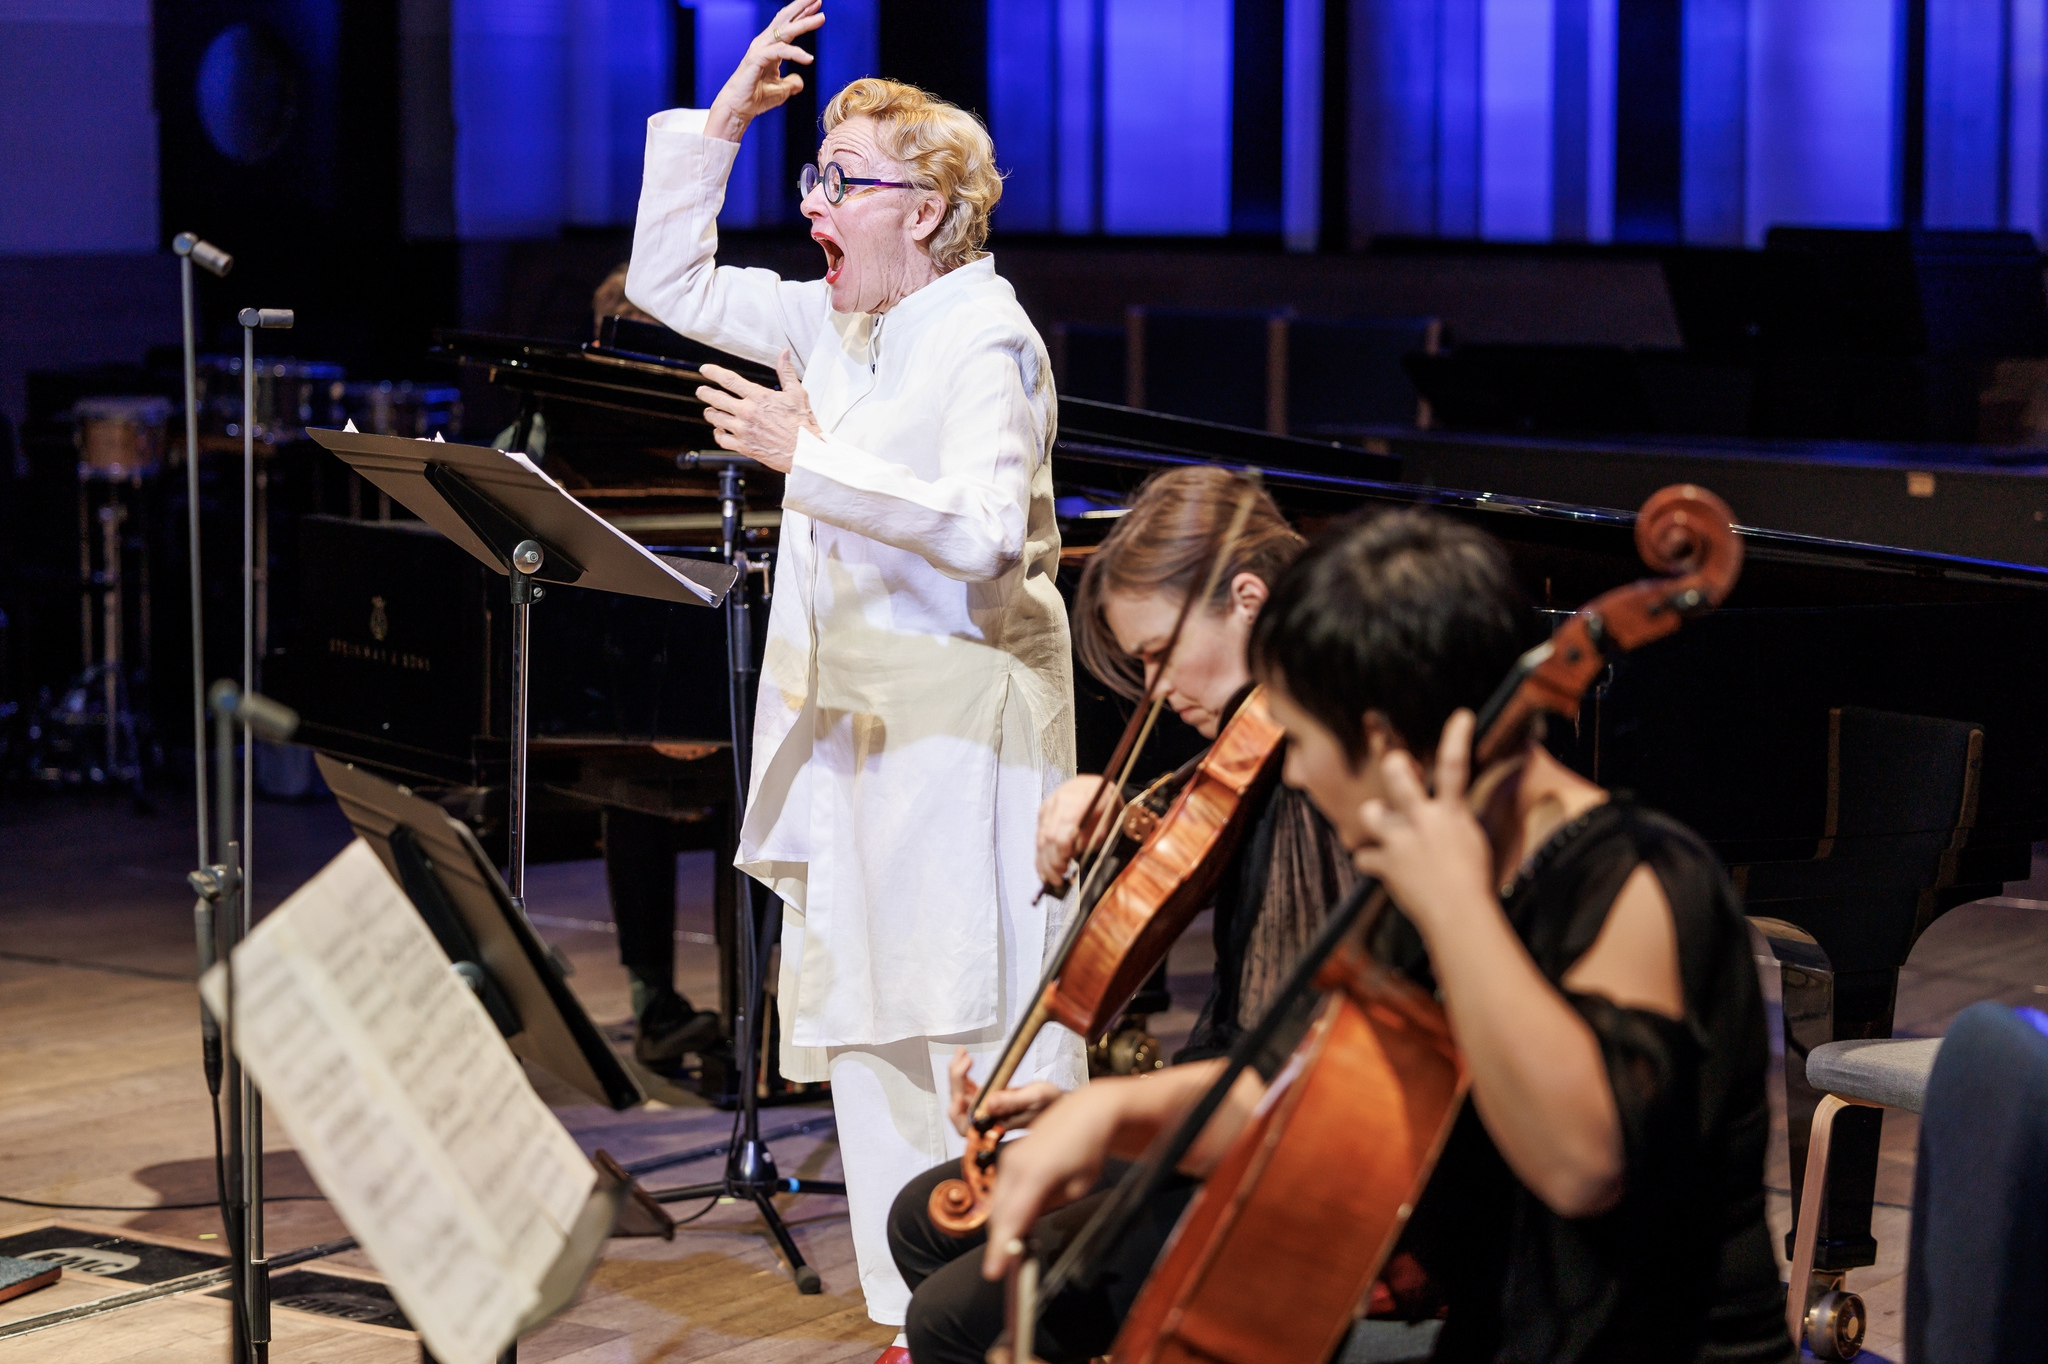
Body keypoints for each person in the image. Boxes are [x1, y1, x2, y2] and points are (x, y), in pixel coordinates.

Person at [910, 507, 1795, 1364]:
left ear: (1380, 738)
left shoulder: (1637, 877)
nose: (1292, 771)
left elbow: (1582, 1164)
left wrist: (1456, 909)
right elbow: (1287, 1095)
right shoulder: (1420, 883)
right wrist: (1107, 1113)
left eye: (1299, 737)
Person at [624, 0, 1087, 1337]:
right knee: (874, 1031)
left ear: (928, 211)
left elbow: (985, 533)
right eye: (813, 177)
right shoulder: (837, 319)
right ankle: (909, 1318)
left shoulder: (986, 337)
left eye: (843, 182)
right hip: (862, 735)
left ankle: (1029, 1311)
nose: (812, 202)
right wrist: (721, 126)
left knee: (973, 1025)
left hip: (962, 743)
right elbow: (667, 285)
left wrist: (805, 458)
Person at [884, 465, 1357, 1354]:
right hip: (1216, 1103)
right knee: (922, 1218)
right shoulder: (1253, 745)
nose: (1154, 689)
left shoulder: (1329, 761)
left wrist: (1112, 1114)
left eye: (1156, 654)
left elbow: (1294, 1064)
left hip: (1287, 1149)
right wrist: (1119, 809)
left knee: (951, 1314)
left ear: (1249, 599)